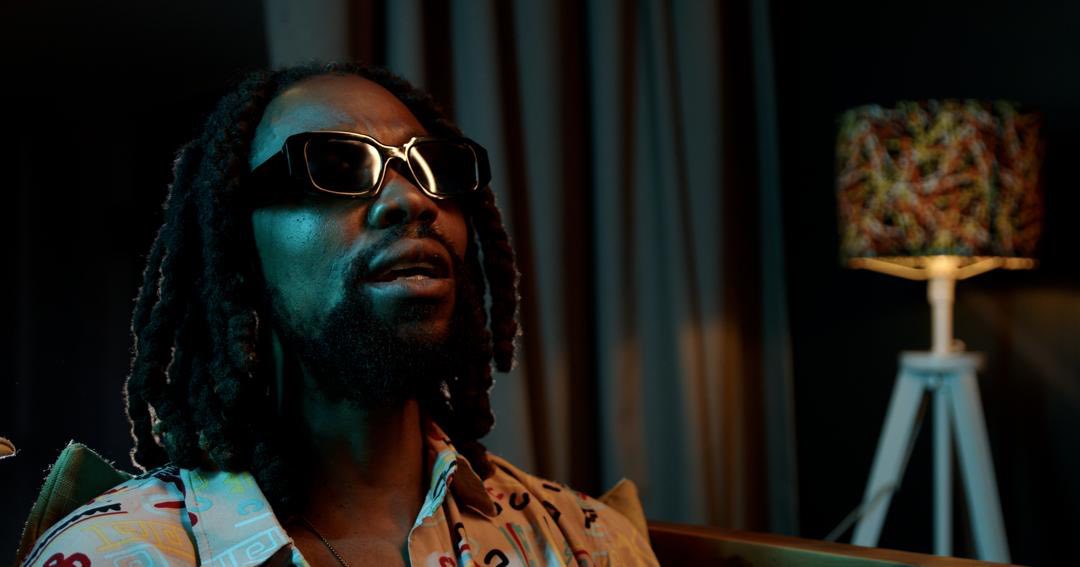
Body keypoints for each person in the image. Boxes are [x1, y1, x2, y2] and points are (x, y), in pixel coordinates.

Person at [18, 63, 658, 567]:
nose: (412, 200)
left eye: (433, 168)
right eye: (337, 165)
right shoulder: (123, 554)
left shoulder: (586, 543)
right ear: (240, 251)